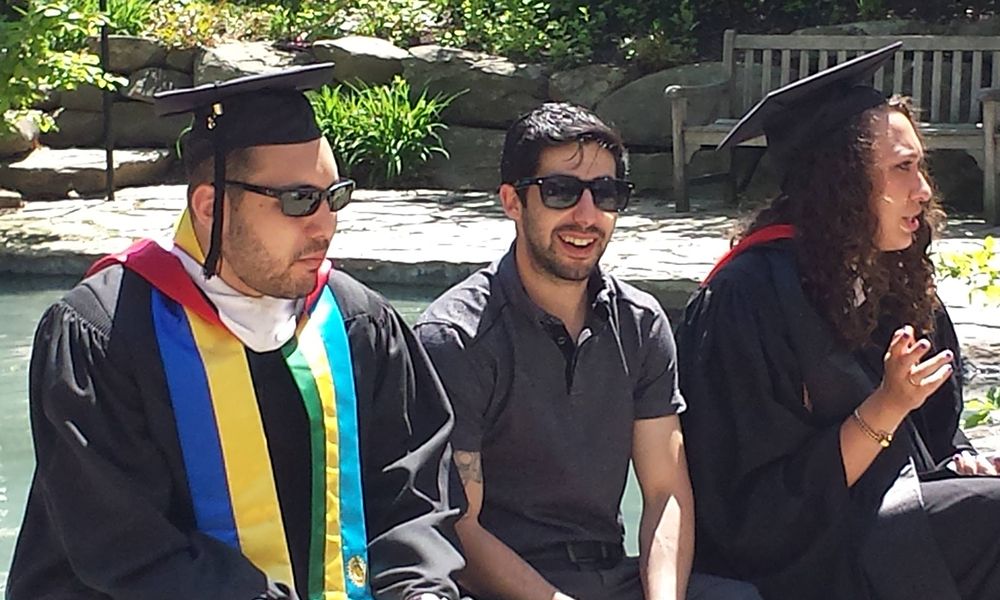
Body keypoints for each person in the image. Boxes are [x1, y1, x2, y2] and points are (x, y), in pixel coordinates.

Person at [7, 64, 464, 600]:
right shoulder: (104, 336)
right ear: (210, 206)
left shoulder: (357, 322)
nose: (325, 225)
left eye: (333, 196)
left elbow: (410, 502)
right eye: (298, 201)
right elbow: (126, 546)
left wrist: (419, 591)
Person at [677, 43, 1000, 600]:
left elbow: (938, 437)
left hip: (900, 518)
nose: (923, 189)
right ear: (842, 181)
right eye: (903, 168)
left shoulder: (895, 278)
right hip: (803, 557)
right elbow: (748, 514)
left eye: (919, 166)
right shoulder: (747, 298)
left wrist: (961, 459)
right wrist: (885, 408)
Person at [414, 102, 761, 600]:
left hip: (611, 575)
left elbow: (664, 494)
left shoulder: (641, 324)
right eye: (560, 192)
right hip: (502, 587)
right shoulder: (456, 337)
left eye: (605, 193)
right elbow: (459, 528)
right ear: (513, 201)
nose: (586, 215)